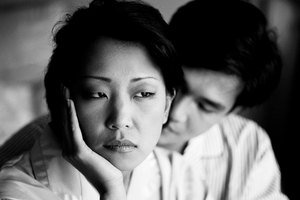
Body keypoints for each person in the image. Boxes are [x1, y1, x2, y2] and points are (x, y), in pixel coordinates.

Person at [0, 0, 208, 199]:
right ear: (63, 99)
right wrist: (112, 190)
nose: (120, 119)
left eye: (144, 94)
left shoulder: (180, 178)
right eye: (97, 94)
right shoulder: (14, 193)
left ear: (167, 105)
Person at [158, 0, 289, 199]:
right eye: (173, 84)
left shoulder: (248, 145)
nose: (175, 113)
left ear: (233, 111)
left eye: (204, 107)